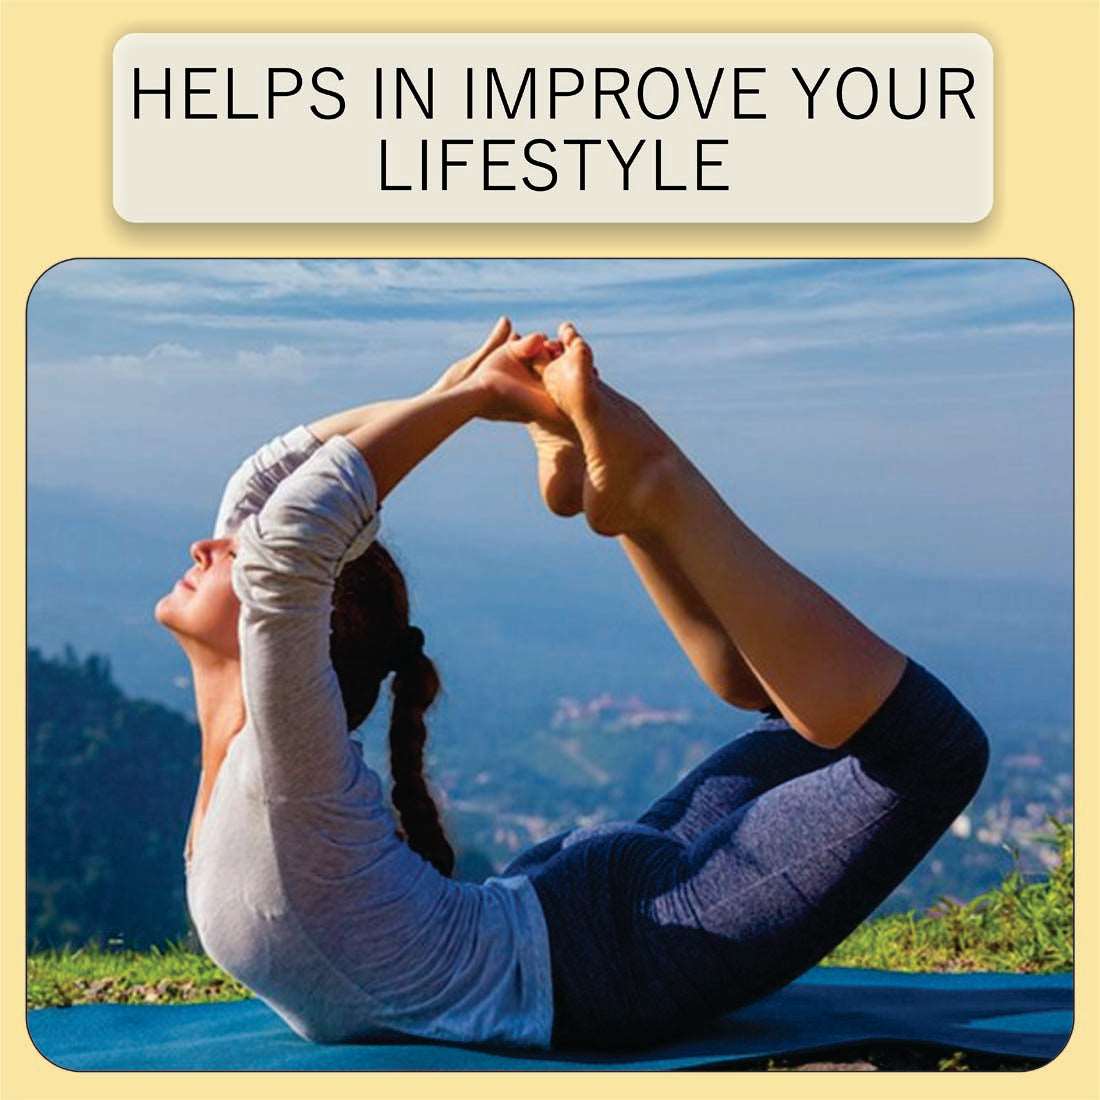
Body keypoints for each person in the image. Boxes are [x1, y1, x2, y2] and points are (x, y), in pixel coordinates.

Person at [155, 319, 989, 1052]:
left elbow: (278, 514)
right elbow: (277, 518)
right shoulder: (279, 762)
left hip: (602, 951)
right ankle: (635, 506)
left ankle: (654, 490)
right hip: (582, 929)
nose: (209, 543)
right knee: (848, 727)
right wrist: (464, 399)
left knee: (919, 747)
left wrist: (459, 397)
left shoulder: (283, 762)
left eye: (234, 550)